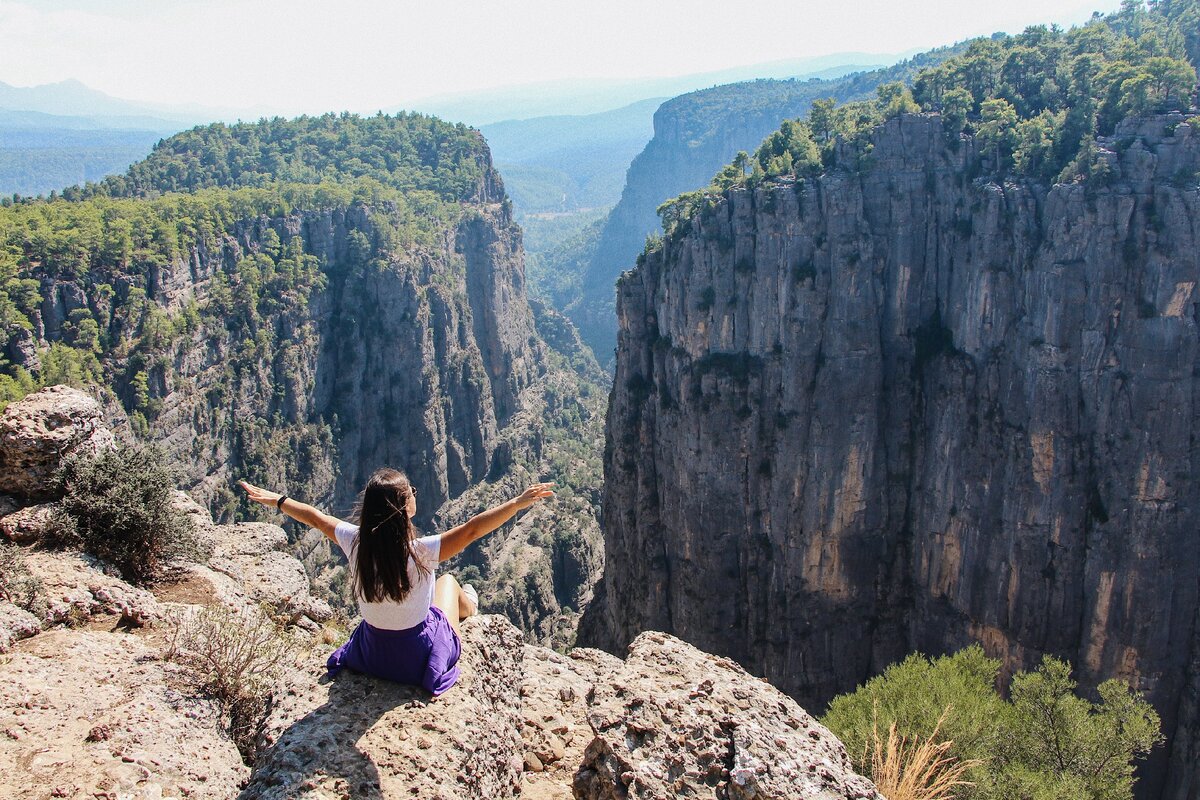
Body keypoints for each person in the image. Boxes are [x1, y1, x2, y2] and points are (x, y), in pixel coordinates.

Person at [238, 470, 553, 696]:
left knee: (428, 596)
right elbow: (472, 530)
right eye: (411, 493)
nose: (415, 495)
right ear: (404, 506)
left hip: (371, 653)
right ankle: (469, 603)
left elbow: (316, 518)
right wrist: (515, 503)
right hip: (416, 658)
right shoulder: (422, 552)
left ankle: (463, 601)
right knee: (448, 583)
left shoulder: (354, 541)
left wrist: (279, 501)